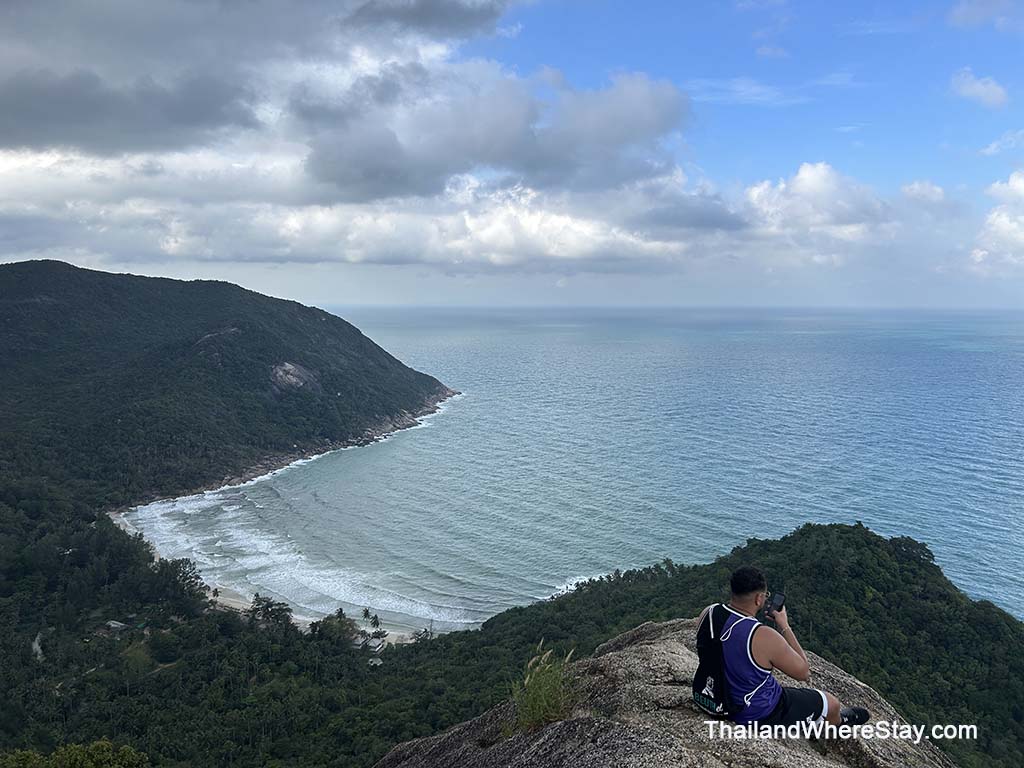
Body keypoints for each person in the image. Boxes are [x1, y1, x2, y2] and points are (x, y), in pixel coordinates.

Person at [698, 566, 870, 728]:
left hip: (707, 698)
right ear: (759, 598)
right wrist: (784, 625)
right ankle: (837, 725)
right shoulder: (762, 635)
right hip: (750, 712)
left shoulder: (709, 612)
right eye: (765, 595)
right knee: (831, 703)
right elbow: (803, 672)